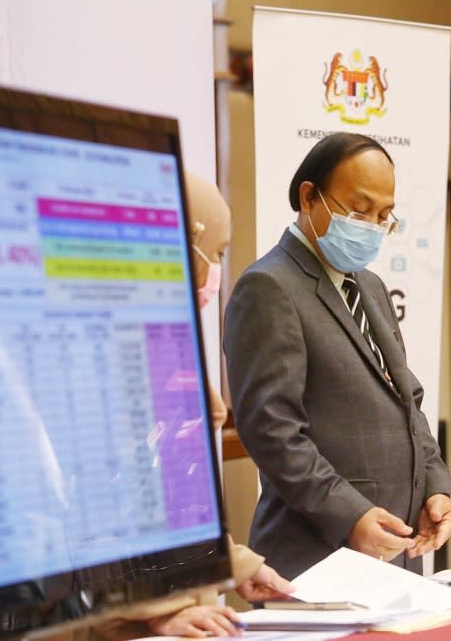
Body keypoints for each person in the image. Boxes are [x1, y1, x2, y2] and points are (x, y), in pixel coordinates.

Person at [223, 132, 451, 579]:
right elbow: (271, 430)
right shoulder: (269, 287)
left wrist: (437, 487)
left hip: (396, 554)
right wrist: (349, 515)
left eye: (384, 216)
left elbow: (407, 402)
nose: (371, 226)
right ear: (309, 196)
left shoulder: (369, 286)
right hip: (317, 559)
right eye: (359, 210)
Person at [84, 173, 294, 640]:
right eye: (216, 253)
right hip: (123, 623)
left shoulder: (161, 331)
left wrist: (234, 562)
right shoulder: (102, 341)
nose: (217, 271)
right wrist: (161, 607)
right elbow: (102, 509)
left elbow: (176, 499)